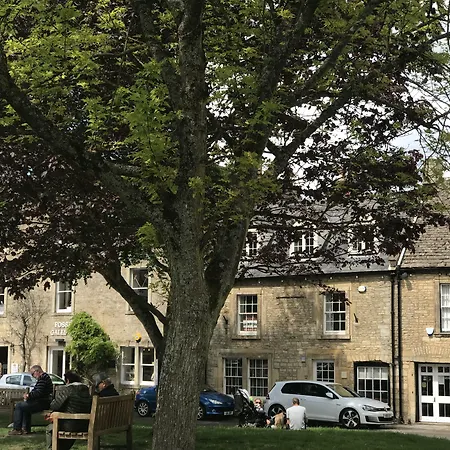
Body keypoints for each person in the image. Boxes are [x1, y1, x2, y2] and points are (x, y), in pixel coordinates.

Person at [45, 371, 92, 450]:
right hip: (84, 425)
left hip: (70, 425)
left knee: (50, 428)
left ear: (67, 380)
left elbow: (55, 406)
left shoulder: (68, 389)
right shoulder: (86, 390)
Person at [8, 365, 53, 435]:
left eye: (32, 374)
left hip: (42, 402)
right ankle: (25, 429)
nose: (33, 376)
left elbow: (38, 393)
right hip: (43, 401)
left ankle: (17, 429)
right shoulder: (44, 378)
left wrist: (28, 396)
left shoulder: (43, 378)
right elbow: (38, 391)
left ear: (37, 371)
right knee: (25, 407)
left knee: (19, 406)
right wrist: (29, 396)